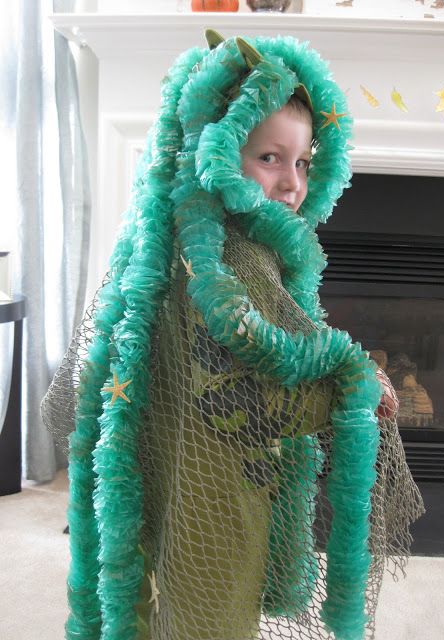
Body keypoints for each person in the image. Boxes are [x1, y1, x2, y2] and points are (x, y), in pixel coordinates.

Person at [42, 31, 424, 640]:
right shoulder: (236, 263)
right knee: (210, 620)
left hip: (157, 473)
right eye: (270, 158)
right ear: (213, 148)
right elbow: (254, 398)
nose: (293, 182)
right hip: (217, 493)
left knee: (151, 605)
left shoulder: (172, 245)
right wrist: (353, 392)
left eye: (302, 162)